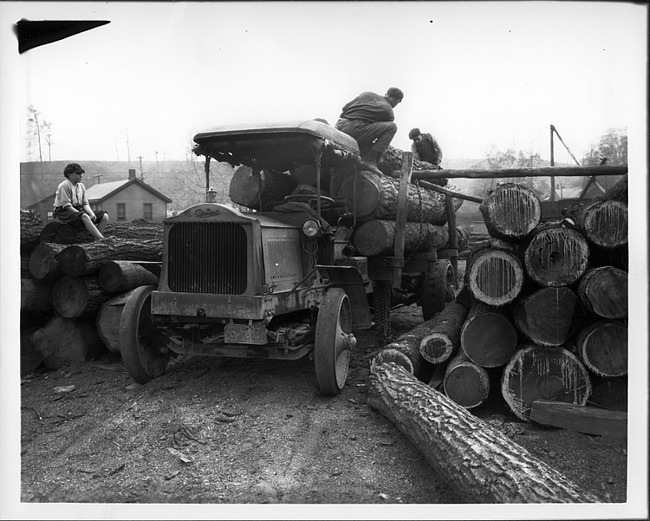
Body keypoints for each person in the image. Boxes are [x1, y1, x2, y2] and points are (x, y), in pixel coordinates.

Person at [335, 87, 404, 166]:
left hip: (339, 125)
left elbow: (344, 108)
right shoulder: (388, 111)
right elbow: (377, 133)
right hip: (353, 130)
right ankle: (370, 160)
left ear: (386, 94)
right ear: (397, 100)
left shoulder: (367, 94)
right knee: (392, 127)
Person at [53, 163, 109, 240]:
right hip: (64, 212)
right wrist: (81, 214)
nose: (81, 176)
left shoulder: (81, 186)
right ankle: (102, 239)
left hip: (78, 210)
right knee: (84, 216)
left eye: (81, 174)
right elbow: (67, 206)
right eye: (78, 174)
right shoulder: (64, 185)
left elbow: (85, 203)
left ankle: (96, 240)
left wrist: (92, 214)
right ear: (70, 175)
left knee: (104, 216)